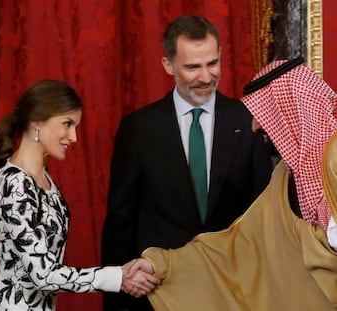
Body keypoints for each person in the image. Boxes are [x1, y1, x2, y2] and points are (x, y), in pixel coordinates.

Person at [133, 57, 337, 310]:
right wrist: (163, 264)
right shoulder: (283, 175)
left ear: (292, 109)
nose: (254, 126)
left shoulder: (335, 159)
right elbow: (241, 245)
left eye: (265, 113)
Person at [101, 15, 273, 310]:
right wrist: (117, 290)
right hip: (159, 293)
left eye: (212, 63)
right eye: (192, 67)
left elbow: (264, 212)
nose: (205, 77)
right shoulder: (139, 128)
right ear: (168, 65)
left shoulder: (249, 121)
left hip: (232, 290)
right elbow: (120, 220)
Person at [0, 80, 160, 311]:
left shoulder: (42, 178)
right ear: (37, 121)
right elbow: (43, 274)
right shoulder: (14, 182)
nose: (73, 137)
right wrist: (117, 277)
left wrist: (119, 276)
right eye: (67, 124)